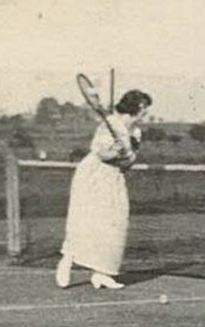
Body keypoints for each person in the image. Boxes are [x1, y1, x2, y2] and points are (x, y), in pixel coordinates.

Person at [55, 89, 152, 290]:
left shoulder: (136, 132)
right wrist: (113, 151)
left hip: (114, 177)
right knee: (86, 221)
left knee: (114, 224)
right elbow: (102, 154)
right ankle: (68, 260)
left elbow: (129, 163)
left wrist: (126, 155)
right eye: (144, 108)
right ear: (136, 107)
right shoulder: (110, 124)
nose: (146, 113)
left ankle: (102, 274)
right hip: (93, 175)